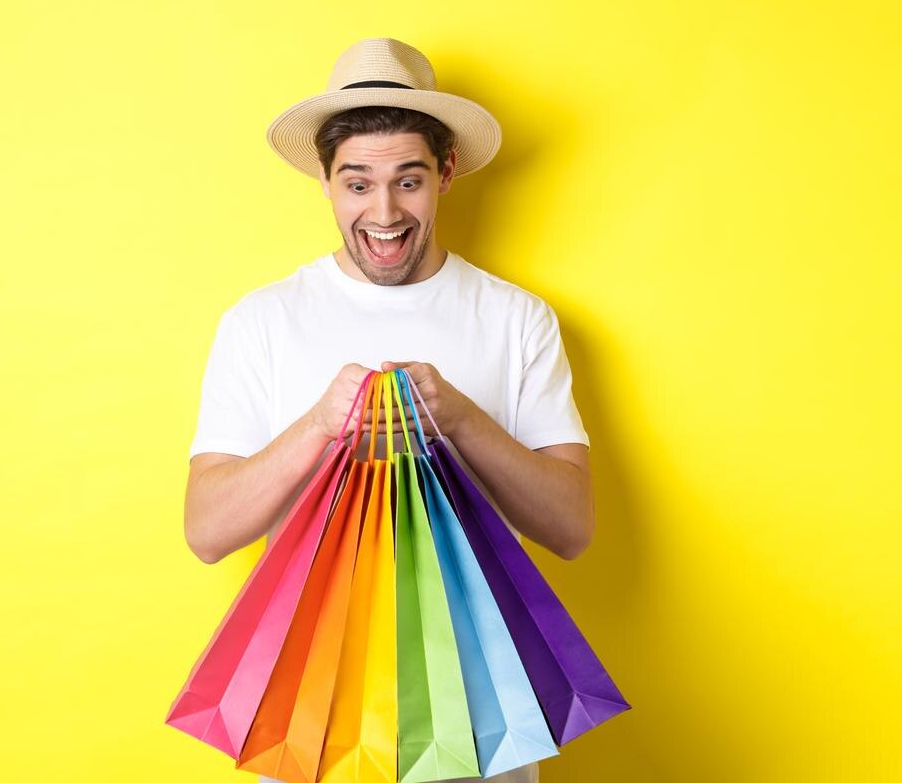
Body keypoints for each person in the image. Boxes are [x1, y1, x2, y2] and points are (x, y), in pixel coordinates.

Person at [181, 38, 594, 783]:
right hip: (315, 724)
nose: (383, 211)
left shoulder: (516, 319)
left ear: (445, 172)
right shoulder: (261, 321)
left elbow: (571, 528)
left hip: (484, 723)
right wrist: (315, 426)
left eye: (408, 180)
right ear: (325, 180)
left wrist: (460, 416)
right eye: (358, 183)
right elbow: (208, 532)